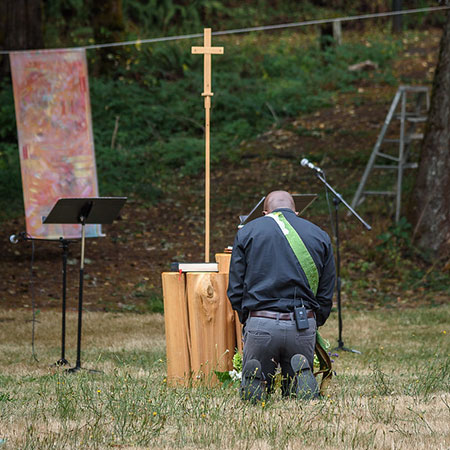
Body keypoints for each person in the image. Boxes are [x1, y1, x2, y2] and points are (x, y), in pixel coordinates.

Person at [227, 190, 336, 401]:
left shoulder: (248, 232)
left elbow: (235, 288)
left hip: (261, 322)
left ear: (265, 212)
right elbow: (325, 291)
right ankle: (299, 379)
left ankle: (257, 377)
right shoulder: (319, 235)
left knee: (258, 376)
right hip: (302, 324)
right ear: (296, 211)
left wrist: (248, 318)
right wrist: (315, 321)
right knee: (295, 385)